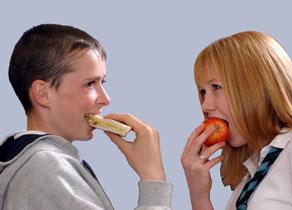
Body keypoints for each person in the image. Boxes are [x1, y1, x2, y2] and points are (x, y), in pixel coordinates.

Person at [0, 24, 172, 210]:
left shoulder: (25, 160)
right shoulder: (48, 168)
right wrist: (153, 178)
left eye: (102, 82)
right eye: (90, 84)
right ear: (43, 93)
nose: (106, 99)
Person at [181, 31, 292, 210]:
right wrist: (199, 195)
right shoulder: (251, 176)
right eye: (202, 92)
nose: (205, 106)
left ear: (255, 86)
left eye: (216, 87)